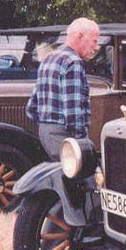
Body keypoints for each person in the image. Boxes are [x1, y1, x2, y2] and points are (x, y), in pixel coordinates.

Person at [26, 18, 100, 161]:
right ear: (80, 36)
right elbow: (73, 111)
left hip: (45, 133)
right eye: (94, 41)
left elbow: (32, 106)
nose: (96, 47)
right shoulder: (73, 62)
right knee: (86, 179)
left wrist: (46, 126)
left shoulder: (49, 58)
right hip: (65, 136)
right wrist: (82, 144)